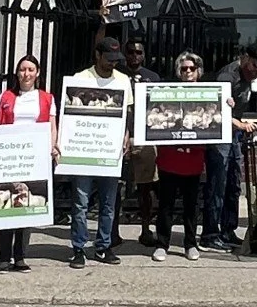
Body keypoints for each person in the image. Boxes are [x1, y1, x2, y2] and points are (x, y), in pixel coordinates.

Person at [68, 37, 134, 269]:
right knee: (81, 202)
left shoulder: (123, 81)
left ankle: (103, 246)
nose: (112, 64)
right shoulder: (80, 79)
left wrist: (127, 135)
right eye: (108, 59)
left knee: (108, 203)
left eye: (116, 60)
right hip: (85, 147)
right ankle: (78, 247)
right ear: (97, 55)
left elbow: (127, 114)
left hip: (109, 149)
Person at [0, 55, 57, 274]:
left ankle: (20, 257)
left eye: (30, 70)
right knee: (6, 204)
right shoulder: (7, 96)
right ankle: (3, 257)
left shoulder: (47, 98)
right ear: (17, 73)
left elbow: (51, 126)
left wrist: (53, 147)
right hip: (9, 158)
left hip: (33, 159)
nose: (26, 74)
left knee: (26, 206)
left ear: (37, 72)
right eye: (22, 70)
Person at [154, 51, 218, 262]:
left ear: (199, 71)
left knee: (191, 206)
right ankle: (162, 244)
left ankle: (190, 244)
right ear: (178, 71)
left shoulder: (209, 94)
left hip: (193, 160)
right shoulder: (166, 92)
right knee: (166, 205)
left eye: (192, 68)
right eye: (184, 69)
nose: (188, 72)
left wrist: (227, 105)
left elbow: (217, 120)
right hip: (169, 159)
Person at [204, 44, 257, 252]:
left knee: (234, 184)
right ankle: (210, 234)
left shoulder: (254, 78)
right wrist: (239, 124)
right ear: (246, 58)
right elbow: (215, 108)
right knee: (217, 184)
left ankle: (227, 231)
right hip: (220, 135)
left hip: (235, 136)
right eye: (254, 65)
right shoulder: (228, 76)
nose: (256, 70)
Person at [119, 37, 161, 249]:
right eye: (131, 52)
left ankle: (146, 229)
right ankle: (112, 232)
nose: (134, 56)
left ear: (144, 55)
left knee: (146, 187)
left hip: (145, 137)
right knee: (117, 186)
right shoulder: (116, 75)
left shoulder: (152, 78)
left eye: (138, 52)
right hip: (119, 138)